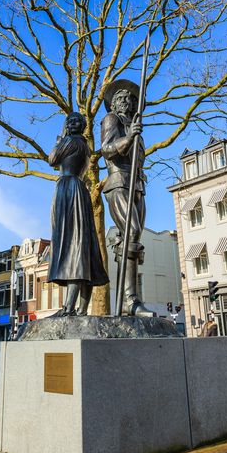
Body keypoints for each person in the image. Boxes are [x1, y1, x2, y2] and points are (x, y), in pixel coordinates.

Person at [100, 80, 154, 317]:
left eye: (130, 99)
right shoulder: (112, 120)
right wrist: (129, 137)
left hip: (137, 184)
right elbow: (107, 149)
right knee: (131, 232)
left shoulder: (135, 125)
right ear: (113, 103)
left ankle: (128, 300)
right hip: (120, 181)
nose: (126, 101)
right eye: (121, 98)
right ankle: (130, 300)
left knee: (131, 240)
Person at [48, 112, 109, 315]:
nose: (73, 123)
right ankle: (81, 309)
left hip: (68, 190)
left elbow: (52, 159)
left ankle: (68, 308)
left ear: (82, 126)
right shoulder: (84, 144)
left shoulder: (69, 140)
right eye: (70, 121)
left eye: (76, 121)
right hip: (79, 190)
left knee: (72, 244)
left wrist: (59, 139)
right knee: (84, 244)